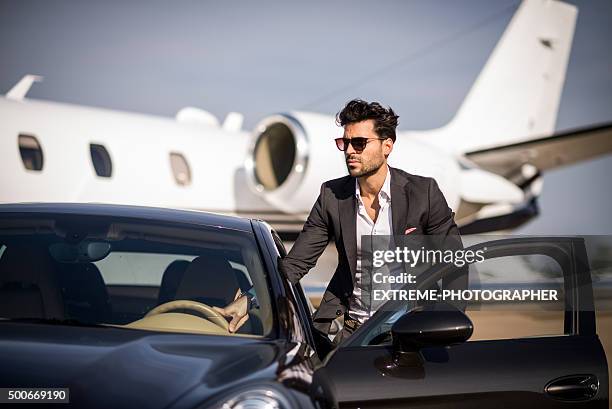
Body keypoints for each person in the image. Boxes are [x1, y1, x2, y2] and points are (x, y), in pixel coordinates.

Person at [215, 99, 461, 341]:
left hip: (410, 330)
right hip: (354, 332)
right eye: (345, 142)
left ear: (387, 146)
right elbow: (296, 264)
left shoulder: (423, 193)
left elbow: (455, 262)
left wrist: (450, 321)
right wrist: (250, 299)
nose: (350, 151)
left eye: (360, 143)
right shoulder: (331, 196)